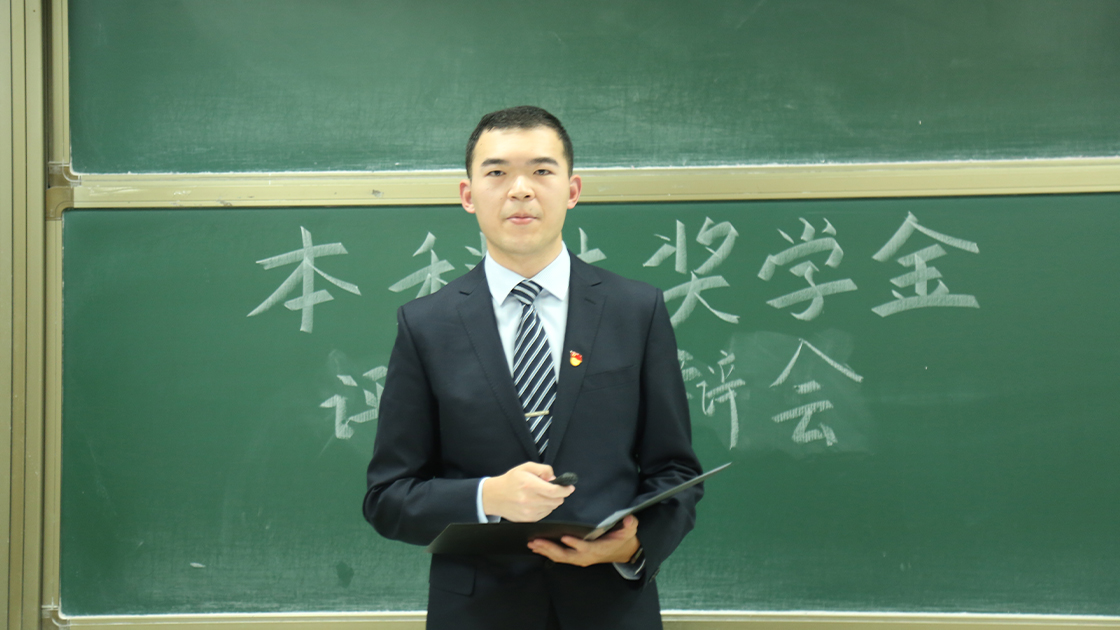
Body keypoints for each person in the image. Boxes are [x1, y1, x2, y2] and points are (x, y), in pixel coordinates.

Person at [363, 105, 704, 630]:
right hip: (477, 614)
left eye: (542, 171)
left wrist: (633, 547)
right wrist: (487, 497)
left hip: (609, 608)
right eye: (497, 172)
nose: (520, 190)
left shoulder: (636, 311)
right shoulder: (425, 325)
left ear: (572, 190)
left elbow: (676, 472)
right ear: (468, 195)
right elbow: (387, 498)